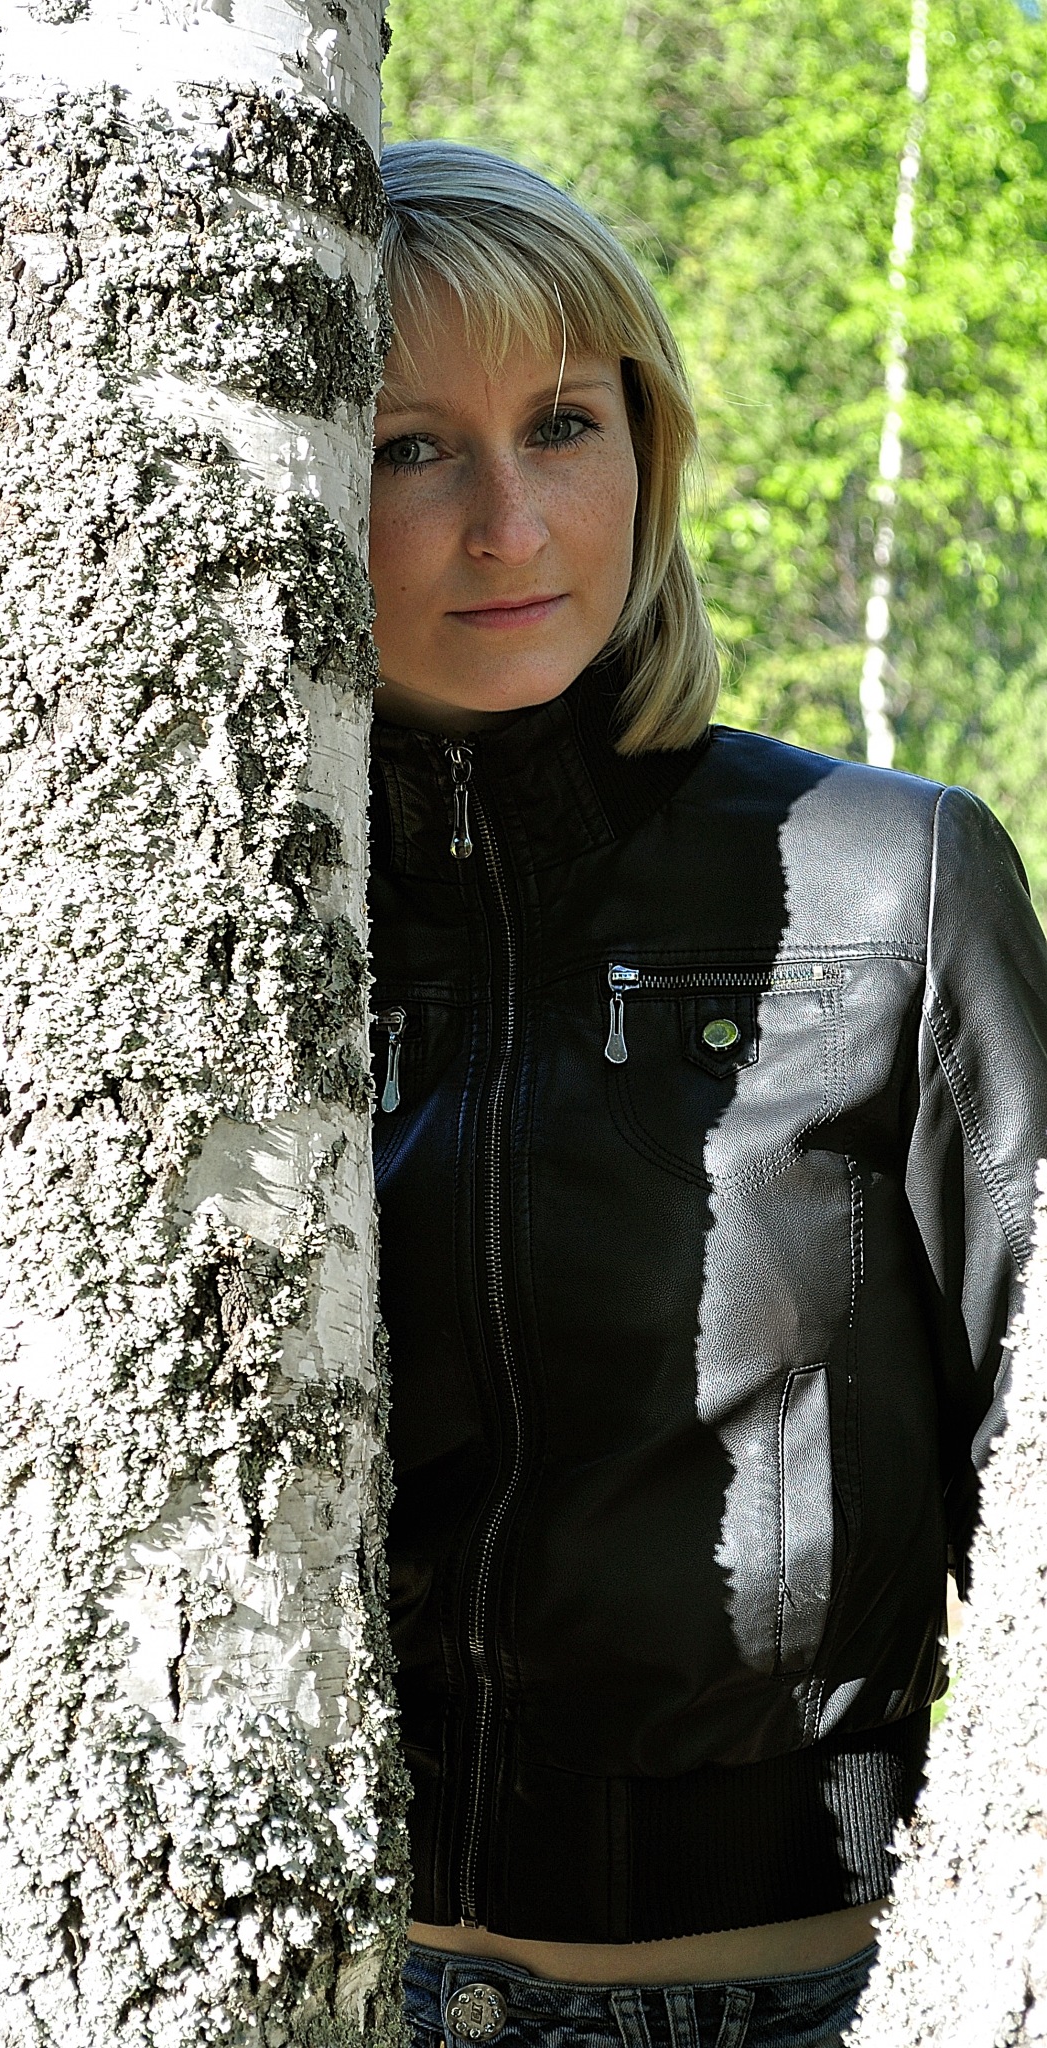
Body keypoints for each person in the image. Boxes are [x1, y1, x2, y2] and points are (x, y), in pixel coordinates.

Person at [367, 139, 1047, 2048]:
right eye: (410, 448)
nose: (509, 525)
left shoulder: (886, 876)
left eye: (559, 426)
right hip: (330, 1994)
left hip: (804, 1991)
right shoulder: (198, 920)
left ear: (646, 449)